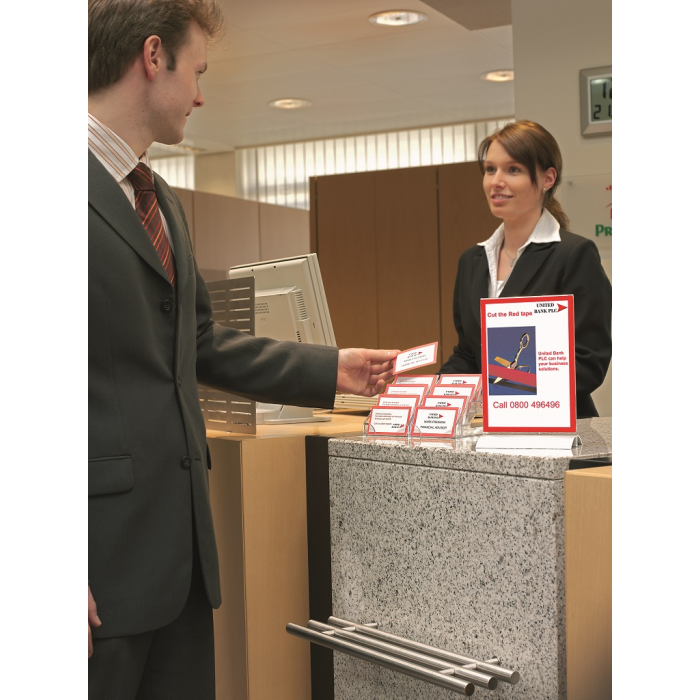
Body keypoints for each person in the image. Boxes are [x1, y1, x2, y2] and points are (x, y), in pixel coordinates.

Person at [88, 1, 397, 697]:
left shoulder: (159, 198)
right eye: (197, 72)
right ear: (153, 57)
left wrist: (333, 368)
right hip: (96, 573)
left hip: (181, 568)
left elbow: (197, 341)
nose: (201, 95)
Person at [439, 120, 611, 418]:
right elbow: (469, 353)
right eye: (490, 169)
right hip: (490, 427)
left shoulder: (574, 255)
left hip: (558, 427)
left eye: (513, 170)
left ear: (547, 179)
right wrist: (437, 395)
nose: (496, 181)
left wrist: (505, 389)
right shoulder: (472, 261)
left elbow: (587, 361)